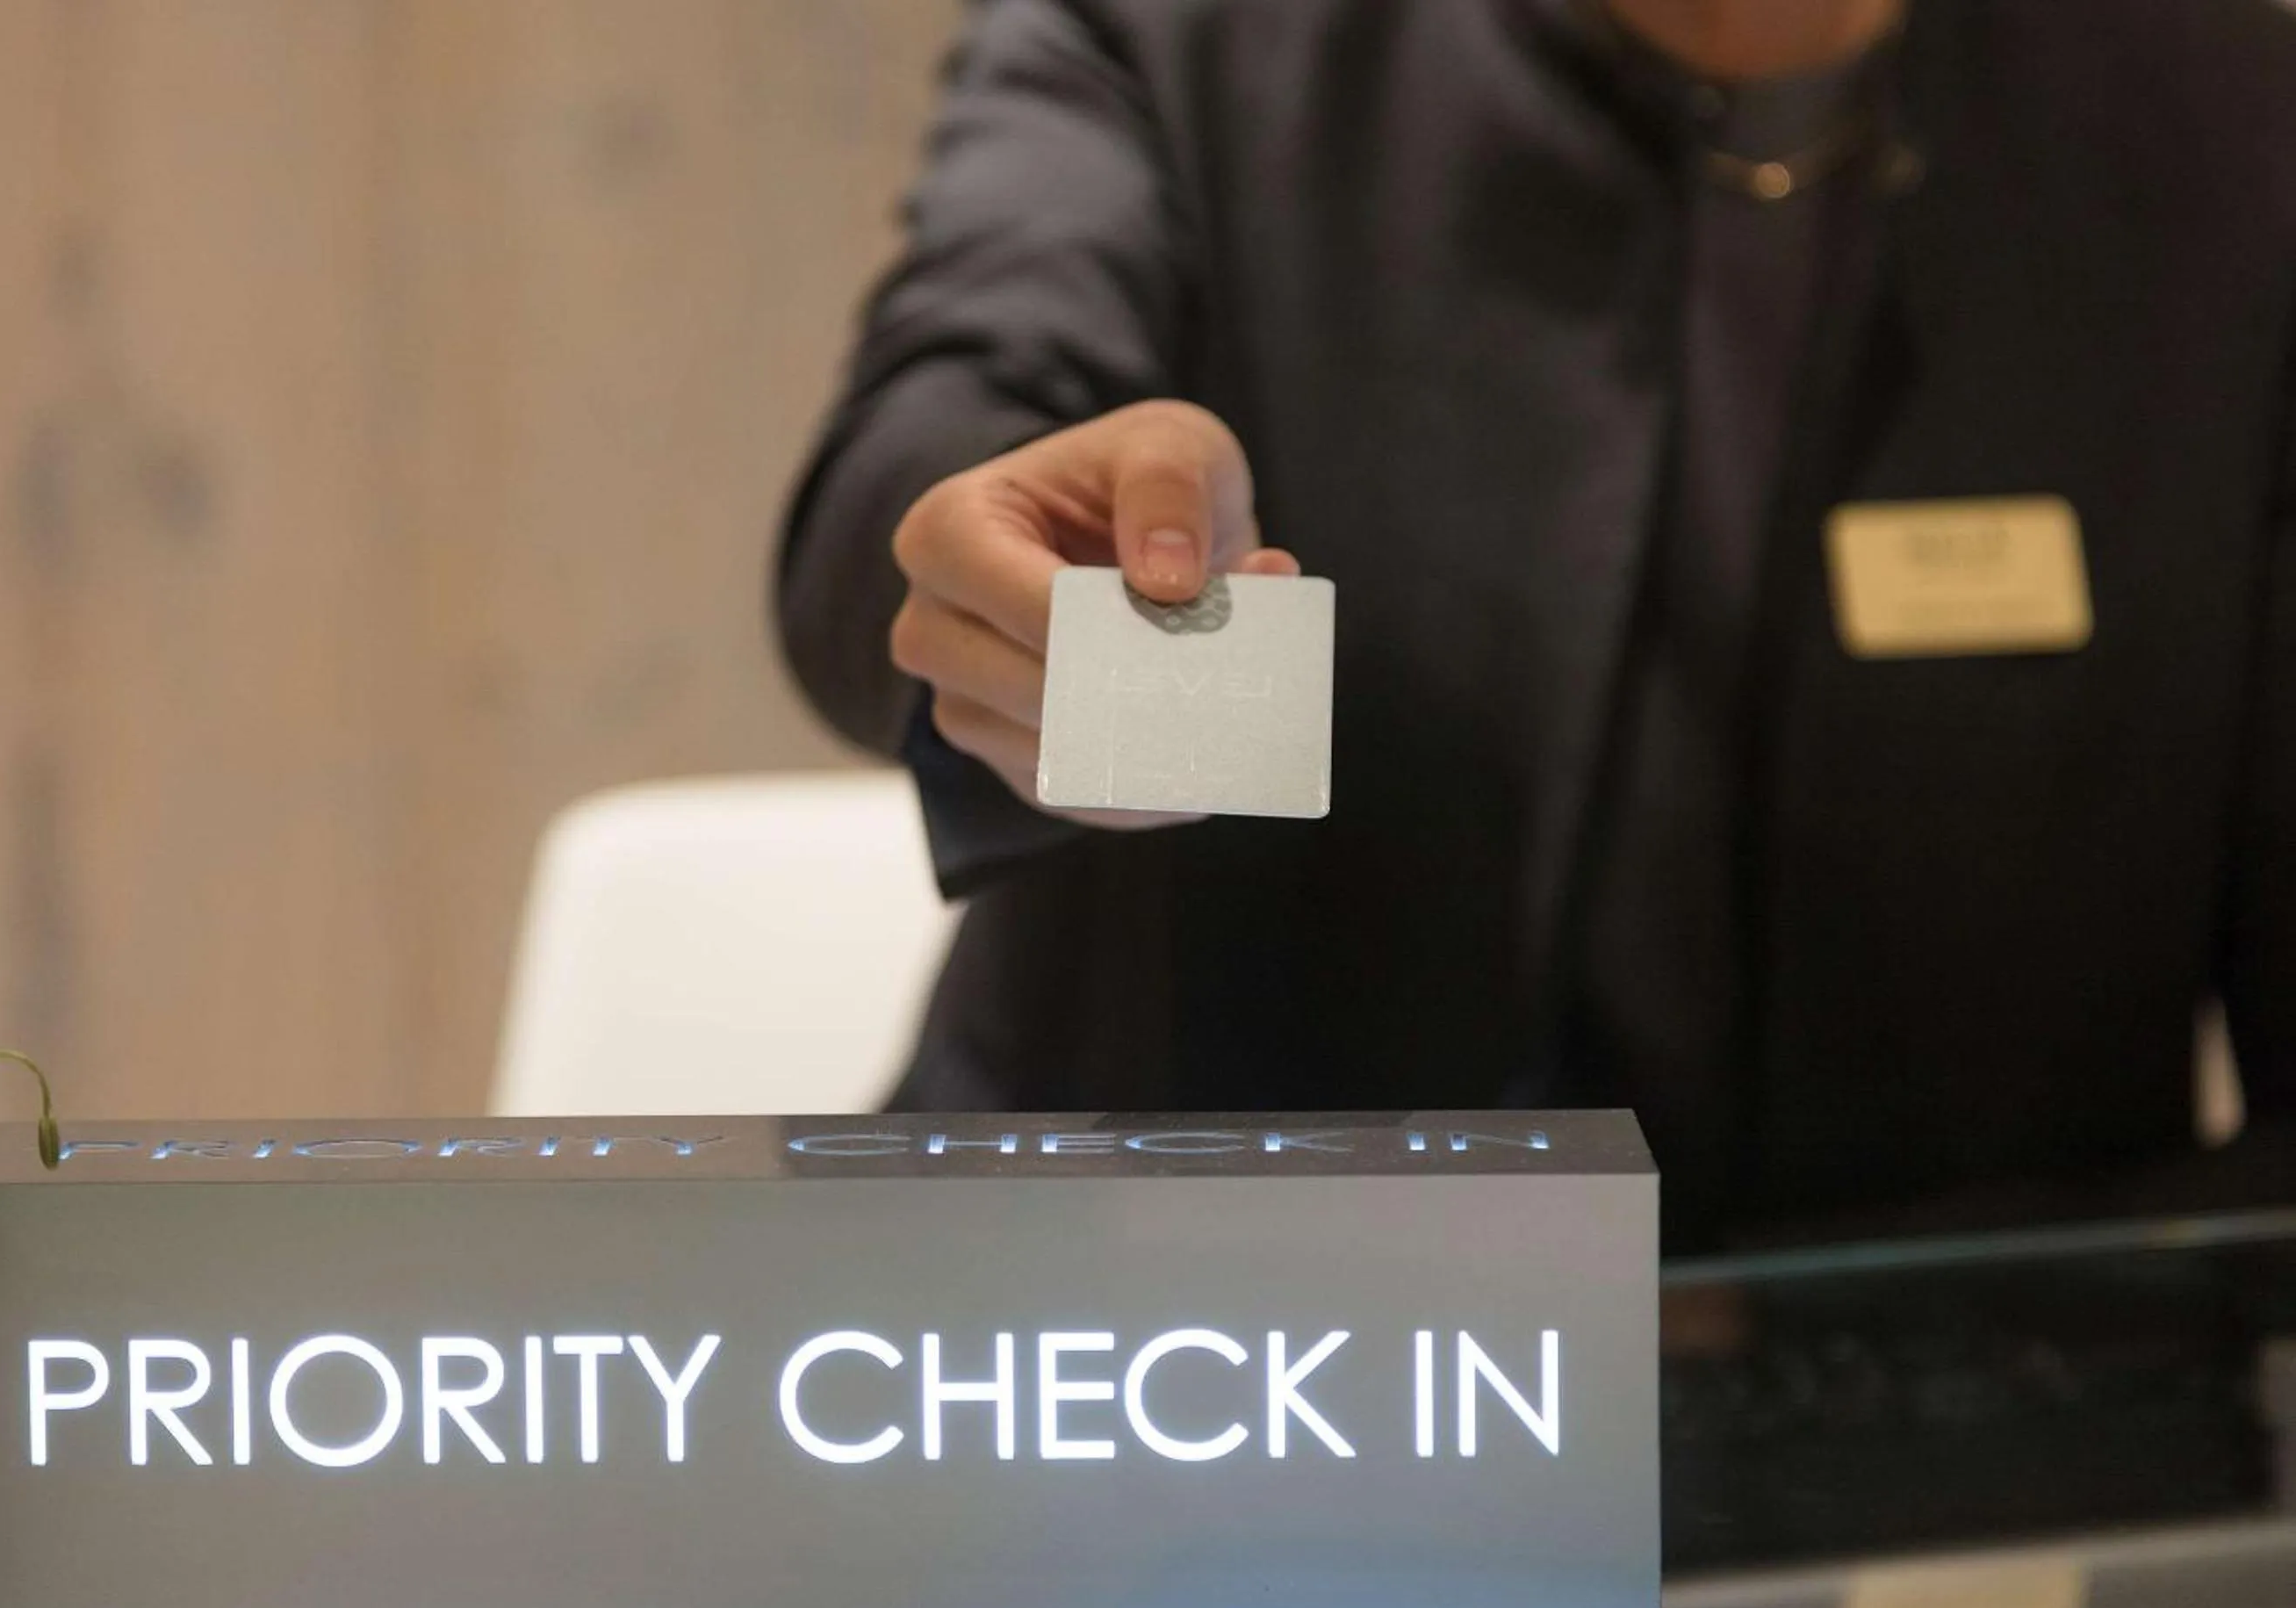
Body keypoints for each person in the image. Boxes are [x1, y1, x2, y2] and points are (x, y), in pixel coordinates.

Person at [773, 0, 2296, 1252]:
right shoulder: (1177, 38)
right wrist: (1006, 582)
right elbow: (942, 421)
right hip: (1192, 1357)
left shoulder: (2234, 126)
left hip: (1954, 1442)